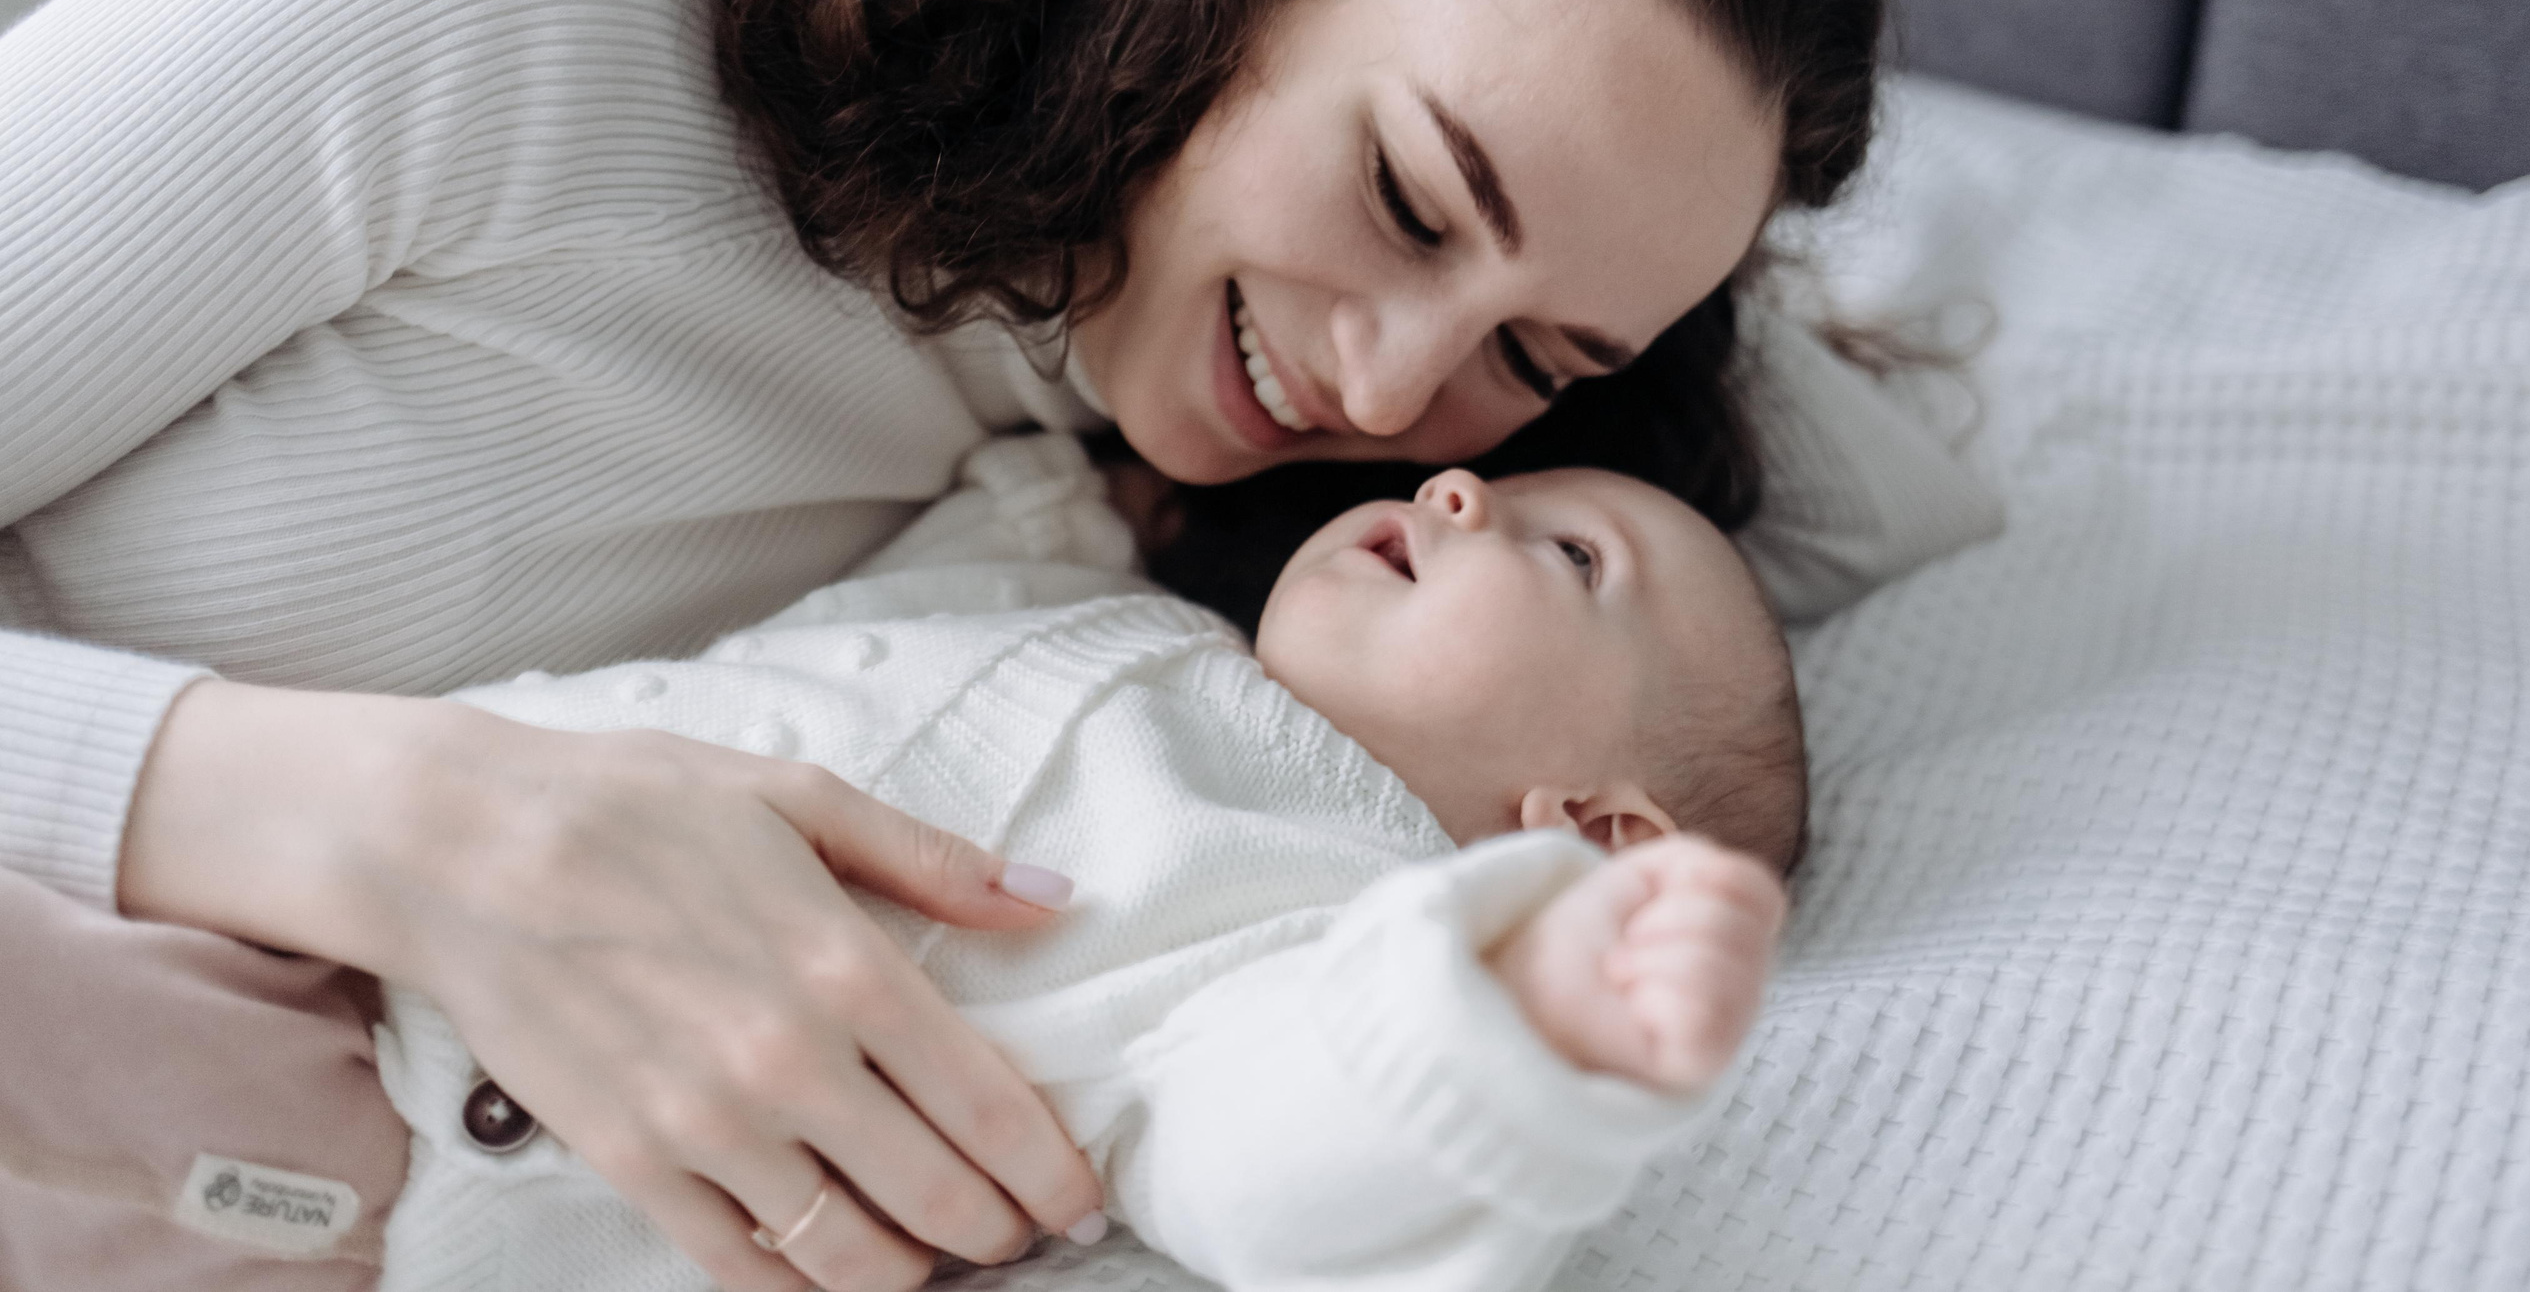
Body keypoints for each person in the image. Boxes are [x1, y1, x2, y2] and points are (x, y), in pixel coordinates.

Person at [0, 0, 1878, 1292]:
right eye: (1405, 196)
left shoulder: (1139, 614)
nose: (1390, 389)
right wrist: (393, 821)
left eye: (1533, 363)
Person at [373, 431, 1801, 1292]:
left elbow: (1269, 1156)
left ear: (1595, 834)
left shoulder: (1314, 919)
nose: (1456, 490)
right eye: (1496, 479)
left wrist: (1500, 1014)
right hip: (348, 873)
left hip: (425, 1165)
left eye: (1572, 558)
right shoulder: (1120, 603)